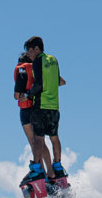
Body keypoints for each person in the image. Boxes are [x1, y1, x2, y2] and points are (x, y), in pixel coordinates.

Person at [19, 36, 67, 185]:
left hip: (41, 105)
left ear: (37, 49)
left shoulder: (38, 61)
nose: (28, 54)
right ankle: (58, 169)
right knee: (54, 137)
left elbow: (38, 85)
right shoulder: (53, 60)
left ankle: (36, 170)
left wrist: (27, 95)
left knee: (38, 139)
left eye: (30, 51)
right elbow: (59, 81)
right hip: (54, 107)